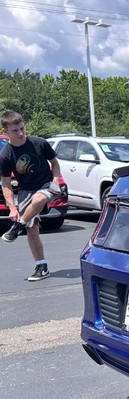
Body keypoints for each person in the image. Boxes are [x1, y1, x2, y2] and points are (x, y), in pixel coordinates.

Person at [0, 110, 65, 281]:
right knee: (32, 229)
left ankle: (16, 227)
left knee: (39, 198)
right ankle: (41, 266)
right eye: (15, 131)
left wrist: (56, 181)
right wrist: (12, 208)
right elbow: (6, 184)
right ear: (6, 132)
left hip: (46, 185)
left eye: (22, 128)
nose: (20, 133)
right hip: (25, 190)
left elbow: (55, 164)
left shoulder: (40, 143)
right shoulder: (5, 154)